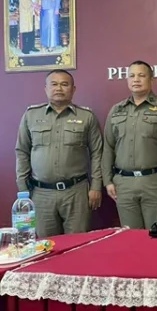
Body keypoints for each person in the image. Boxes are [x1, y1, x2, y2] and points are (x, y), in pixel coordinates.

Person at [15, 69, 103, 236]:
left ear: (73, 89)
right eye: (54, 84)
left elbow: (97, 153)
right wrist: (23, 189)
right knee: (45, 245)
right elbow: (22, 152)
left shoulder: (87, 116)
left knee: (77, 244)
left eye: (64, 84)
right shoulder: (31, 115)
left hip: (76, 192)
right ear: (46, 88)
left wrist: (96, 186)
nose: (59, 88)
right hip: (41, 194)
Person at [102, 60, 157, 229]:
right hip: (124, 184)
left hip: (155, 181)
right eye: (132, 76)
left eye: (141, 75)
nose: (136, 79)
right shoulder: (116, 110)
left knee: (156, 234)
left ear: (152, 80)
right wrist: (108, 180)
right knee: (130, 236)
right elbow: (108, 147)